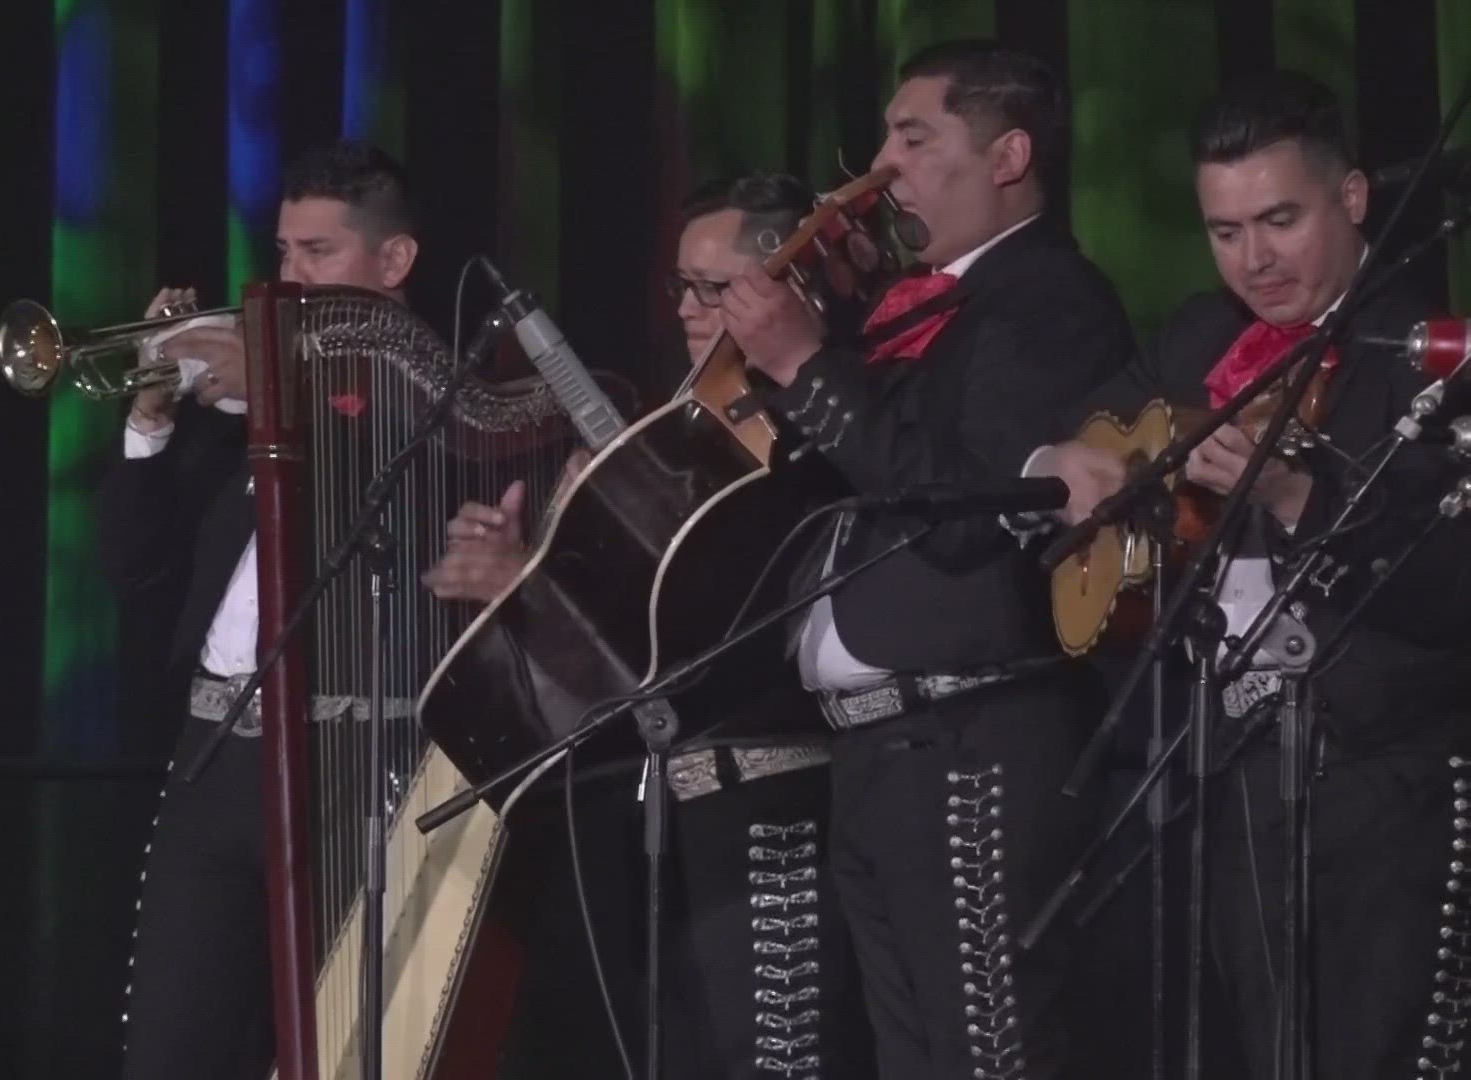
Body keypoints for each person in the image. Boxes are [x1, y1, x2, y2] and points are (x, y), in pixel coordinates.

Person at [1032, 73, 1471, 1079]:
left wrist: (1292, 501)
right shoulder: (1201, 334)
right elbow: (1082, 434)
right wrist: (1061, 464)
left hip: (1389, 782)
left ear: (1352, 198)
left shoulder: (1433, 357)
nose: (1255, 259)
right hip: (1230, 769)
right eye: (1225, 230)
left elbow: (1454, 593)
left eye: (1279, 219)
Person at [718, 41, 1138, 1078]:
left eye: (915, 139)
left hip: (971, 739)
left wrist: (802, 361)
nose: (881, 167)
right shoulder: (924, 303)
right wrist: (825, 343)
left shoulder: (1047, 296)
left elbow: (958, 508)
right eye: (885, 139)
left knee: (989, 1052)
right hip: (876, 749)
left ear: (1008, 157)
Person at [422, 172, 875, 1078]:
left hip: (771, 802)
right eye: (682, 286)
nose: (690, 309)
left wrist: (539, 579)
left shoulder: (817, 426)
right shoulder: (678, 429)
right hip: (660, 812)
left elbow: (723, 628)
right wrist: (538, 565)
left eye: (716, 288)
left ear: (792, 285)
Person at [101, 140, 420, 1080]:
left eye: (318, 252)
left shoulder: (425, 391)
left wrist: (271, 393)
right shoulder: (242, 408)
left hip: (345, 766)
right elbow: (133, 573)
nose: (289, 275)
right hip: (213, 759)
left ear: (394, 262)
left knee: (332, 1049)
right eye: (284, 251)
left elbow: (386, 474)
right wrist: (151, 416)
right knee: (171, 1046)